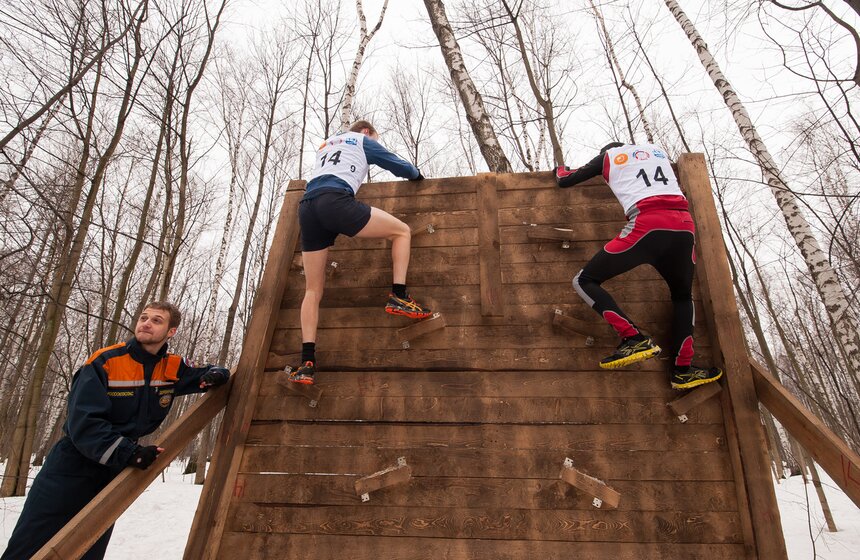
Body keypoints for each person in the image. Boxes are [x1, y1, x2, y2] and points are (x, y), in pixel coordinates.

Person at [1, 302, 230, 560]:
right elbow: (84, 423)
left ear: (171, 332)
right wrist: (128, 452)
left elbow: (207, 373)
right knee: (32, 543)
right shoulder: (106, 361)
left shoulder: (170, 367)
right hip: (73, 464)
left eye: (156, 320)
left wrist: (218, 375)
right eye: (144, 317)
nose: (146, 323)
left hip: (114, 470)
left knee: (88, 544)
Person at [555, 142, 722, 390]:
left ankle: (633, 338)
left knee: (583, 280)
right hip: (683, 226)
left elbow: (565, 180)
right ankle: (682, 370)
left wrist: (560, 168)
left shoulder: (608, 157)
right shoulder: (657, 152)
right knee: (682, 297)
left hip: (648, 225)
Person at [290, 120, 430, 386]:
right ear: (366, 132)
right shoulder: (361, 140)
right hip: (335, 201)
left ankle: (307, 363)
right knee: (401, 232)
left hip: (307, 207)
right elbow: (396, 164)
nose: (374, 142)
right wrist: (416, 174)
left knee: (312, 290)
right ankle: (399, 296)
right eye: (375, 138)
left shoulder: (326, 144)